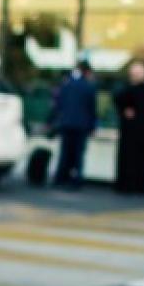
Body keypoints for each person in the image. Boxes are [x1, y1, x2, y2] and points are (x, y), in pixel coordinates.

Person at [47, 60, 97, 190]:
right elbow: (92, 108)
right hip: (81, 125)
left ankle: (61, 178)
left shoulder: (66, 84)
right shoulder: (89, 86)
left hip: (66, 123)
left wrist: (51, 121)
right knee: (79, 154)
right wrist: (93, 126)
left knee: (65, 152)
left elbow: (58, 105)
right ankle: (76, 179)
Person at [114, 61, 144, 195]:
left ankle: (131, 183)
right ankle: (132, 183)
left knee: (134, 159)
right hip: (136, 131)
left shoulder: (139, 90)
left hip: (136, 131)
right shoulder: (137, 90)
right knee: (133, 159)